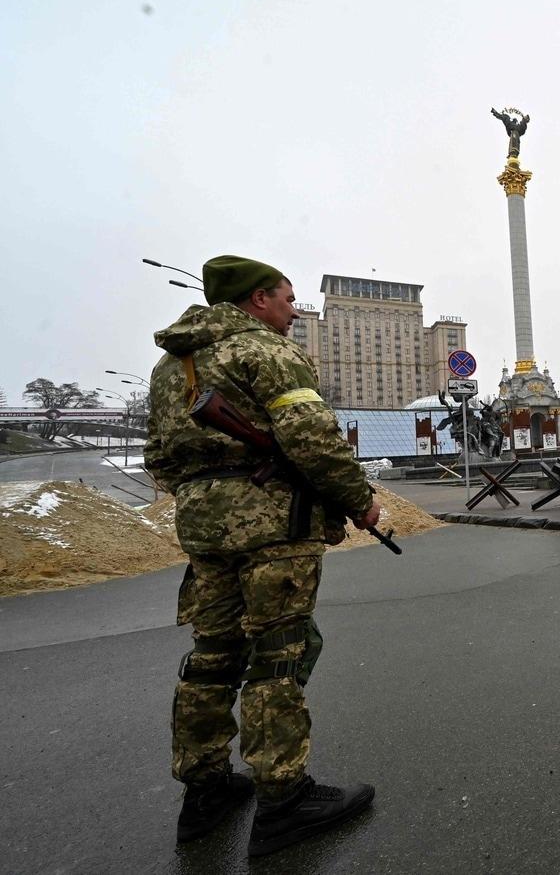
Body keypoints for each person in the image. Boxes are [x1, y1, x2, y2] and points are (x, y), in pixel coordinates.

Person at [145, 255, 380, 856]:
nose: (294, 310)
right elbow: (313, 438)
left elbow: (159, 459)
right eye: (287, 298)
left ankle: (204, 790)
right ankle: (284, 799)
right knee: (280, 652)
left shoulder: (173, 365)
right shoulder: (267, 351)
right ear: (257, 300)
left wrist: (209, 493)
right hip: (272, 525)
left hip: (202, 527)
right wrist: (360, 501)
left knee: (212, 653)